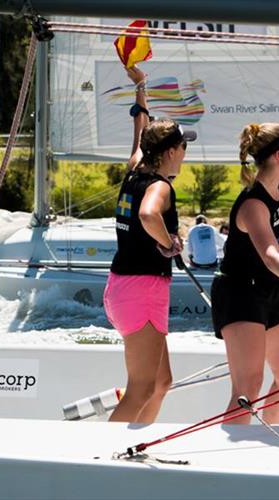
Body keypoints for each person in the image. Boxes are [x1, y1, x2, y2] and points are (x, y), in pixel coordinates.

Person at [211, 123, 279, 424]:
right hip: (239, 293)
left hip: (267, 289)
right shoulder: (253, 204)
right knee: (248, 387)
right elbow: (270, 254)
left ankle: (270, 437)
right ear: (278, 155)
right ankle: (230, 459)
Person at [103, 65, 197, 423]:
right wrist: (170, 243)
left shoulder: (135, 167)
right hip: (142, 290)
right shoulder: (160, 186)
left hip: (124, 288)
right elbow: (147, 215)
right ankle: (100, 460)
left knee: (161, 382)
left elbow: (140, 129)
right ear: (172, 151)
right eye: (184, 145)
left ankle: (136, 442)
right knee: (142, 387)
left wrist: (141, 88)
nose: (185, 151)